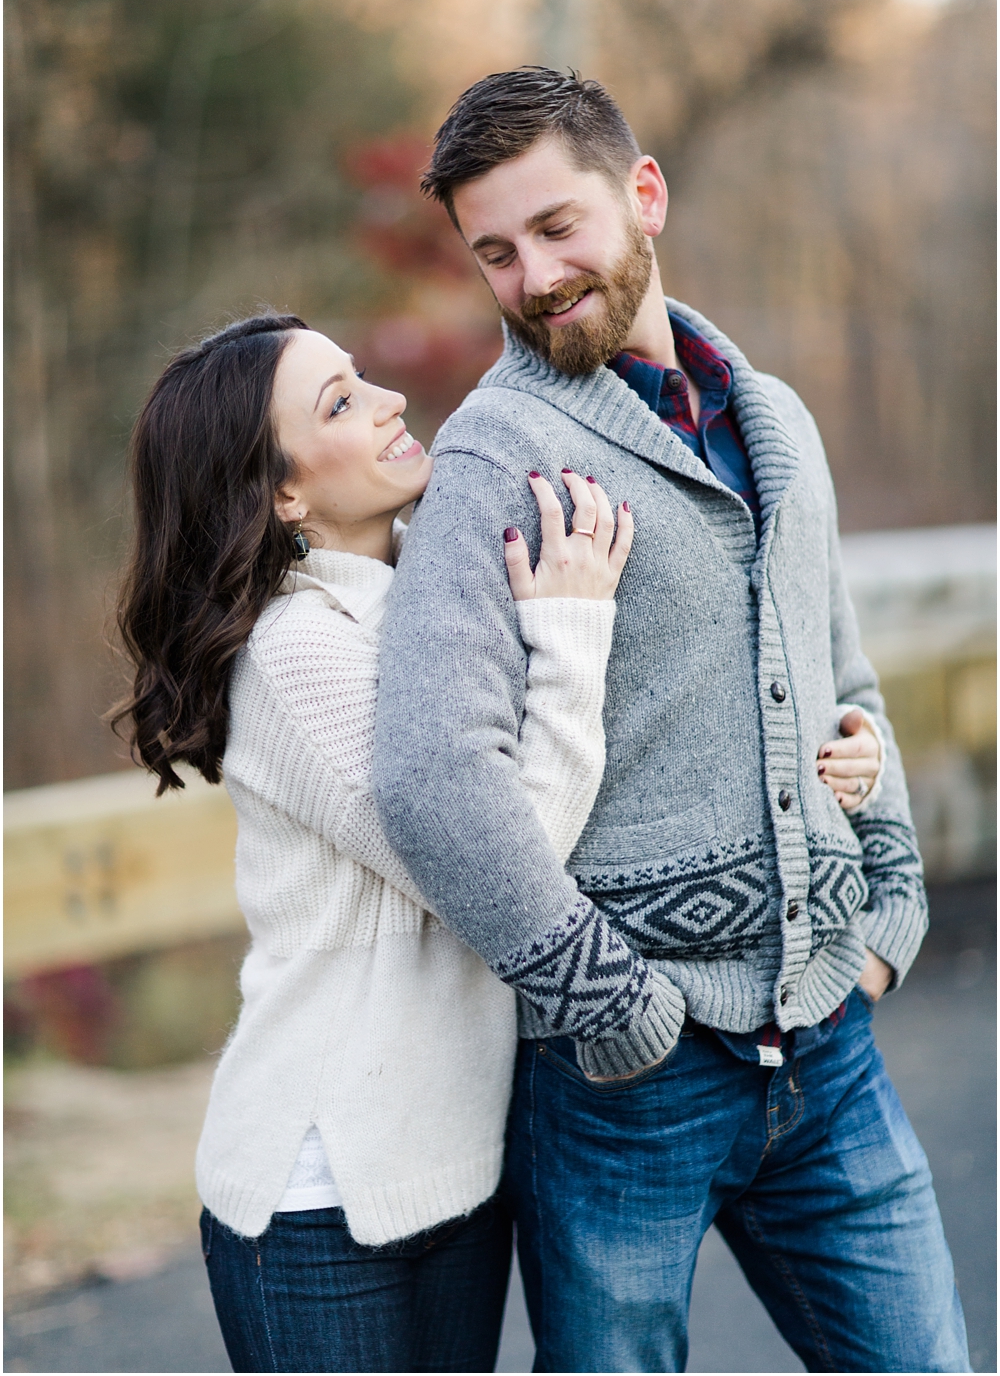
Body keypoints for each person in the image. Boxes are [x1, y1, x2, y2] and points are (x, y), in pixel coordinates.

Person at [371, 68, 970, 1373]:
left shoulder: (776, 420)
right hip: (623, 1088)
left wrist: (893, 906)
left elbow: (844, 677)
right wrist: (610, 1000)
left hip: (831, 1053)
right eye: (495, 253)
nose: (532, 276)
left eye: (557, 227)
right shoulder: (491, 463)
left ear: (643, 195)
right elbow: (426, 774)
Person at [111, 311, 635, 1373]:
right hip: (320, 1194)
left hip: (452, 1167)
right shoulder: (298, 651)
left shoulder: (420, 605)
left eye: (361, 378)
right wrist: (573, 637)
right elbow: (499, 866)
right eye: (340, 403)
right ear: (285, 495)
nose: (390, 399)